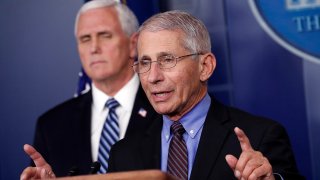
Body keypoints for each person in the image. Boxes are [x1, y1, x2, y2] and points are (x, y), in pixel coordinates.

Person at [107, 10, 304, 180]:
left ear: (205, 66)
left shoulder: (261, 137)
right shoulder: (123, 154)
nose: (152, 77)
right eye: (145, 63)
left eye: (167, 60)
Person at [20, 0, 157, 178]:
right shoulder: (51, 126)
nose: (94, 48)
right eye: (85, 39)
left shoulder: (164, 109)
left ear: (133, 44)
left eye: (105, 35)